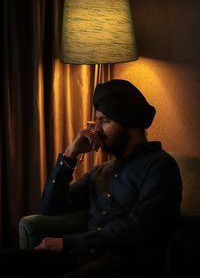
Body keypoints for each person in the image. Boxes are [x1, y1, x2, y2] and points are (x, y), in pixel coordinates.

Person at [0, 79, 182, 277]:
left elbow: (139, 229)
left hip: (127, 264)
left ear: (128, 122)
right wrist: (70, 154)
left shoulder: (160, 166)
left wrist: (66, 243)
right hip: (80, 258)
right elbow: (50, 208)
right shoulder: (101, 171)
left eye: (104, 120)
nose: (96, 129)